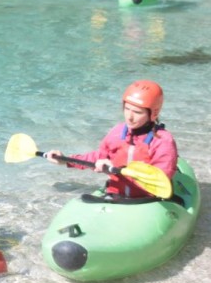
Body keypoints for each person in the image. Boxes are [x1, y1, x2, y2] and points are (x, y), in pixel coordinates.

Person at [43, 81, 177, 199]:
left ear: (153, 113)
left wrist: (115, 169)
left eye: (137, 112)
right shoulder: (117, 132)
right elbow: (98, 157)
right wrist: (66, 160)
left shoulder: (162, 141)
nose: (129, 117)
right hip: (116, 194)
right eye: (127, 109)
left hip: (148, 199)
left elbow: (160, 178)